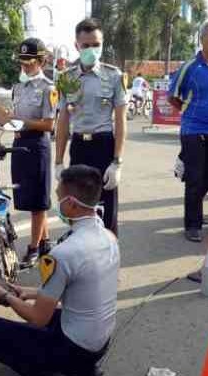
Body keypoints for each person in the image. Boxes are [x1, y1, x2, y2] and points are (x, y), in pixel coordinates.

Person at [0, 164, 119, 376]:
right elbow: (80, 293)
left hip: (76, 349)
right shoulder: (108, 237)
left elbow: (38, 318)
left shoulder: (62, 253)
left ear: (71, 204)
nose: (57, 203)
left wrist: (4, 296)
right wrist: (27, 292)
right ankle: (85, 369)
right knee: (56, 318)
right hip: (101, 342)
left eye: (59, 197)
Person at [55, 18, 127, 236]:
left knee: (107, 210)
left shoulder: (114, 76)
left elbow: (121, 121)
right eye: (86, 45)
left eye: (96, 44)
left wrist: (117, 162)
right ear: (77, 45)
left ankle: (109, 257)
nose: (91, 50)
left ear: (102, 44)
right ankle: (80, 255)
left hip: (104, 146)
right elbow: (63, 121)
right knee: (76, 207)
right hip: (79, 146)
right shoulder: (67, 78)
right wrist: (58, 161)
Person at [168, 19, 208, 243]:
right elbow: (172, 95)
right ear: (202, 38)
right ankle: (192, 225)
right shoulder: (190, 67)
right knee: (195, 178)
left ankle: (204, 216)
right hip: (193, 131)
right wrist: (189, 112)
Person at [10, 38, 58, 267]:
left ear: (41, 61)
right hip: (19, 144)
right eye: (22, 62)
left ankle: (33, 249)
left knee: (38, 201)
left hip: (37, 146)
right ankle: (45, 241)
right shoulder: (18, 87)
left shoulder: (48, 88)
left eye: (30, 62)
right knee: (27, 196)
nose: (25, 66)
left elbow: (49, 125)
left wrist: (22, 122)